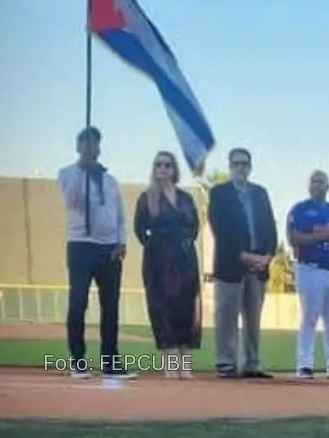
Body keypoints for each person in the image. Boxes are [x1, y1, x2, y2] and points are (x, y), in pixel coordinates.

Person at [56, 126, 134, 379]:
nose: (93, 149)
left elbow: (120, 217)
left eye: (96, 144)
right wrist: (83, 170)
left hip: (109, 249)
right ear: (79, 147)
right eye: (88, 144)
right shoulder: (68, 173)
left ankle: (110, 361)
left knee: (110, 307)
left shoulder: (110, 181)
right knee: (78, 303)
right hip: (81, 245)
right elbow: (73, 202)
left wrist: (121, 243)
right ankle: (77, 360)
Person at [208, 147, 278, 379]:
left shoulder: (260, 193)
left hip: (258, 266)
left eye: (245, 163)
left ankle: (252, 363)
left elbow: (270, 227)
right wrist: (242, 255)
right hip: (231, 264)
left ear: (250, 166)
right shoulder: (219, 193)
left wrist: (267, 256)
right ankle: (225, 362)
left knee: (253, 318)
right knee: (226, 317)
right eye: (236, 163)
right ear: (230, 166)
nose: (241, 167)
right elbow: (220, 229)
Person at [133, 151, 201, 378]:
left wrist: (183, 244)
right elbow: (139, 228)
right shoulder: (147, 198)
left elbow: (194, 227)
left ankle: (185, 361)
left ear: (174, 169)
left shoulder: (185, 198)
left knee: (186, 308)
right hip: (158, 260)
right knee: (162, 308)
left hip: (184, 259)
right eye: (158, 165)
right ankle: (170, 362)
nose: (163, 169)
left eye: (168, 165)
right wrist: (155, 245)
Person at [288, 170, 329, 379]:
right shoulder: (300, 210)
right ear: (309, 186)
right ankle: (304, 364)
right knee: (310, 317)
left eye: (322, 182)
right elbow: (294, 238)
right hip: (311, 268)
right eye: (314, 181)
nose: (318, 185)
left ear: (328, 186)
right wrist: (323, 235)